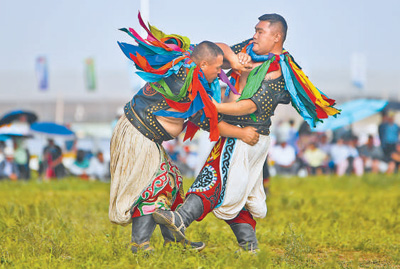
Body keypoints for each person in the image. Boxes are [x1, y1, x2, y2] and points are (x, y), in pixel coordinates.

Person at [153, 13, 339, 252]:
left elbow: (249, 106)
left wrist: (212, 106)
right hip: (234, 134)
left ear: (276, 36)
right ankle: (250, 247)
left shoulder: (278, 70)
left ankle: (180, 220)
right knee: (236, 191)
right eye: (255, 30)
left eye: (260, 31)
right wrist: (234, 58)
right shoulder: (251, 48)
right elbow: (215, 52)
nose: (255, 35)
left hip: (247, 135)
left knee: (213, 181)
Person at [110, 23, 260, 254]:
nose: (221, 72)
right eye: (218, 67)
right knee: (154, 187)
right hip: (137, 135)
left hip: (143, 135)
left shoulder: (186, 61)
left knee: (170, 181)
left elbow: (214, 47)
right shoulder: (187, 84)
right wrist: (243, 133)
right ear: (203, 65)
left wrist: (234, 59)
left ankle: (173, 243)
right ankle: (140, 246)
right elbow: (212, 123)